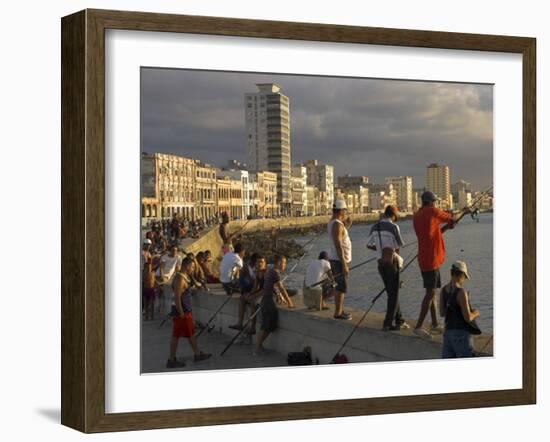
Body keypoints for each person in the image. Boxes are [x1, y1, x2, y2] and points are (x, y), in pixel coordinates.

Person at [413, 191, 470, 339]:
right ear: (431, 202)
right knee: (430, 293)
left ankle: (434, 324)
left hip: (423, 259)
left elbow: (432, 233)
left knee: (431, 291)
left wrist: (445, 228)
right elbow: (453, 218)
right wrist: (464, 212)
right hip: (432, 259)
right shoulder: (433, 211)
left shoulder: (417, 215)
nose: (436, 204)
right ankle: (418, 326)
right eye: (435, 202)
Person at [367, 205, 409, 331]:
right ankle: (387, 323)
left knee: (391, 292)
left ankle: (399, 320)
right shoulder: (393, 227)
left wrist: (379, 249)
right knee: (394, 294)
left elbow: (369, 244)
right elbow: (398, 246)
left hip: (380, 264)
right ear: (393, 215)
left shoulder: (375, 226)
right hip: (392, 264)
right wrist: (399, 264)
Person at [167, 258, 212, 368]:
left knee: (190, 333)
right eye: (192, 267)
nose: (192, 269)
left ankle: (197, 353)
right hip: (181, 313)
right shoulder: (180, 279)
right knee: (177, 335)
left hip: (185, 311)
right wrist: (181, 312)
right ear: (186, 266)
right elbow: (177, 297)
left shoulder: (183, 278)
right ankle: (172, 359)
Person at [254, 254, 294, 355]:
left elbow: (272, 287)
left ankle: (259, 346)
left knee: (267, 325)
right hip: (268, 303)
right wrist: (289, 302)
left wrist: (278, 296)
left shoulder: (270, 270)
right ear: (279, 263)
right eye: (284, 263)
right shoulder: (275, 272)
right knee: (266, 326)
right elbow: (281, 288)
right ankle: (257, 347)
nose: (285, 265)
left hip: (265, 301)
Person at [439, 261, 480, 358]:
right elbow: (468, 318)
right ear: (461, 275)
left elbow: (442, 313)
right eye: (464, 278)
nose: (464, 280)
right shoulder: (461, 292)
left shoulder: (443, 290)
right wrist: (476, 312)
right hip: (461, 335)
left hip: (448, 335)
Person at [327, 199, 353, 320]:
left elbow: (341, 237)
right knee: (341, 286)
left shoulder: (335, 223)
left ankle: (340, 310)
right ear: (341, 210)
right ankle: (338, 312)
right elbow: (338, 244)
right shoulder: (337, 224)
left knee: (340, 286)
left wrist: (347, 225)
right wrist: (344, 264)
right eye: (345, 210)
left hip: (337, 259)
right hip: (339, 260)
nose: (345, 212)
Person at [229, 254, 266, 334]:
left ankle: (253, 328)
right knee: (242, 298)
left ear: (265, 263)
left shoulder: (266, 273)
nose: (260, 264)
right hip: (260, 293)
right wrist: (250, 294)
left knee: (253, 302)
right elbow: (255, 287)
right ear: (255, 263)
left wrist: (254, 296)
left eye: (261, 262)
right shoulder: (257, 273)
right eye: (258, 262)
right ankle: (240, 323)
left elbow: (265, 289)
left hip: (267, 294)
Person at [156, 244, 182, 316]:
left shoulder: (178, 257)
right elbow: (161, 267)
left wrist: (174, 276)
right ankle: (158, 306)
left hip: (169, 277)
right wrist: (162, 276)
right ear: (170, 251)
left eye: (176, 251)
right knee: (159, 291)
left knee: (165, 292)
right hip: (160, 275)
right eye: (173, 250)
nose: (174, 252)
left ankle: (162, 308)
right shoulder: (165, 257)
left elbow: (178, 268)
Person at [142, 256, 156, 321]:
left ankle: (152, 316)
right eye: (147, 267)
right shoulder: (143, 274)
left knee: (152, 304)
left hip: (151, 289)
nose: (149, 268)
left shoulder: (153, 273)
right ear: (145, 268)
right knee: (146, 304)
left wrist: (158, 287)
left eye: (150, 267)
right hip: (145, 289)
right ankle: (146, 317)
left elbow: (155, 281)